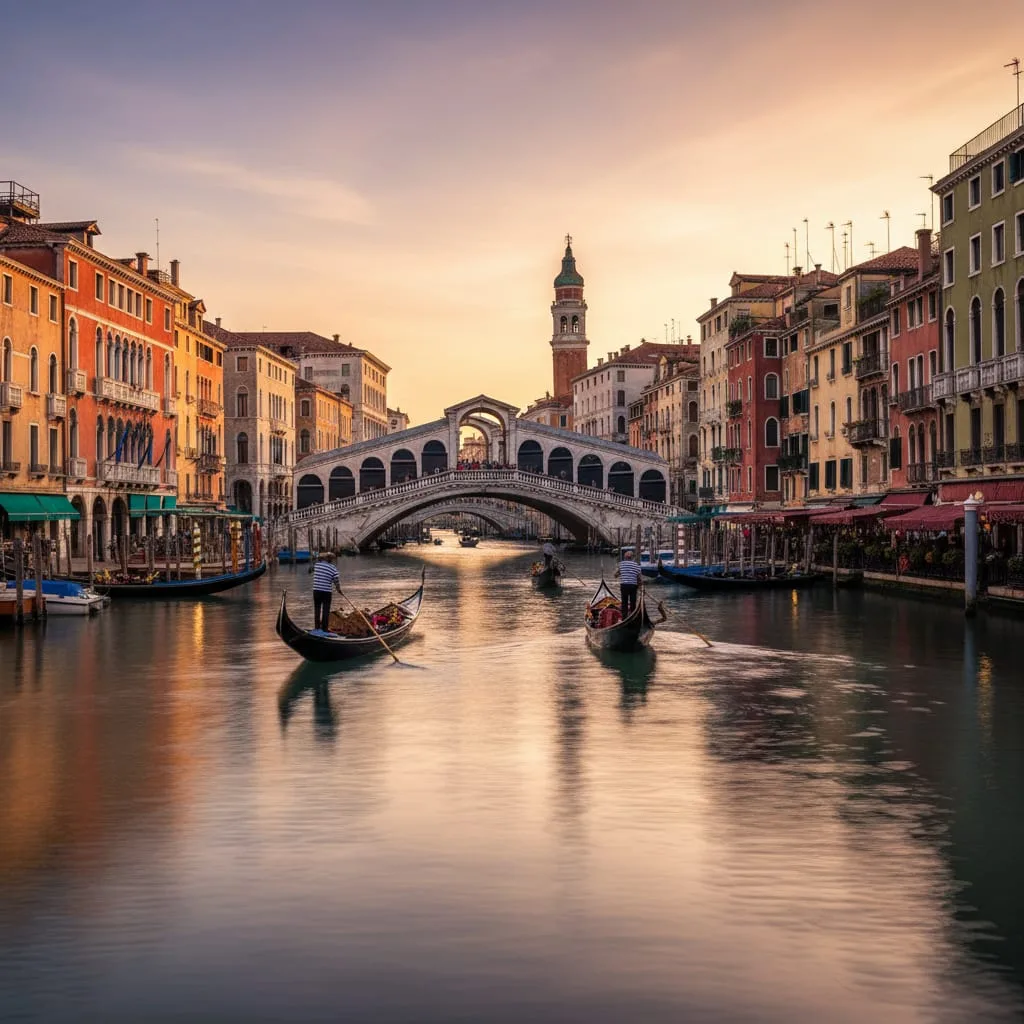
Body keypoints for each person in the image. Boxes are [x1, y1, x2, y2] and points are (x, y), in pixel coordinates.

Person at [311, 551, 342, 632]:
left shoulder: (317, 565)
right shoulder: (333, 569)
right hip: (326, 592)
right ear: (331, 560)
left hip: (316, 591)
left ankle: (317, 628)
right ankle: (324, 629)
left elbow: (309, 570)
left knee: (317, 609)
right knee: (326, 610)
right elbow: (336, 581)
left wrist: (318, 558)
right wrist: (339, 590)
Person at [615, 548, 642, 616]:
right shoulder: (637, 565)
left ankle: (624, 616)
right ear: (632, 557)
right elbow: (639, 578)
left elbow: (615, 575)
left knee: (624, 602)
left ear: (625, 557)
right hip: (633, 586)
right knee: (633, 602)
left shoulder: (621, 564)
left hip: (624, 585)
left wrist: (621, 573)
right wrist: (640, 587)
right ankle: (633, 614)